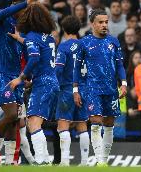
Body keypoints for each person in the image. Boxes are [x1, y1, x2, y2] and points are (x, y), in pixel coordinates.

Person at [0, 0, 40, 165]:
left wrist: (27, 75)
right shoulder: (2, 19)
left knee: (15, 120)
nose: (26, 12)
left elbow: (25, 51)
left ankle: (10, 162)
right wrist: (26, 3)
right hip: (0, 73)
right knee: (9, 114)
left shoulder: (22, 26)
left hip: (15, 75)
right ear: (16, 4)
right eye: (24, 8)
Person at [73, 9, 127, 166]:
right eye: (100, 22)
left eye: (106, 22)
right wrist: (75, 90)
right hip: (92, 89)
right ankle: (100, 162)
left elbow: (119, 65)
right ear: (92, 24)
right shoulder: (84, 43)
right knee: (95, 122)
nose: (104, 25)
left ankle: (104, 159)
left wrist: (123, 83)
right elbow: (76, 68)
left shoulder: (113, 41)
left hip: (111, 89)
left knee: (109, 124)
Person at [8, 3, 59, 165]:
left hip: (43, 83)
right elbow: (40, 50)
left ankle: (42, 161)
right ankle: (44, 161)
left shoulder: (31, 37)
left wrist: (21, 78)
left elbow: (35, 57)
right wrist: (20, 39)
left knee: (33, 123)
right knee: (37, 122)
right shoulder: (49, 37)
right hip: (53, 82)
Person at [0, 41, 34, 165]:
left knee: (15, 122)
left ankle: (13, 161)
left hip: (17, 87)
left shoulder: (24, 42)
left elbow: (29, 64)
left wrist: (28, 80)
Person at [55, 15, 89, 166]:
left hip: (67, 89)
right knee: (82, 125)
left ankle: (64, 162)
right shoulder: (85, 46)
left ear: (63, 29)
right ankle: (84, 162)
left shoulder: (63, 46)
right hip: (83, 88)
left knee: (63, 125)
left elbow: (58, 69)